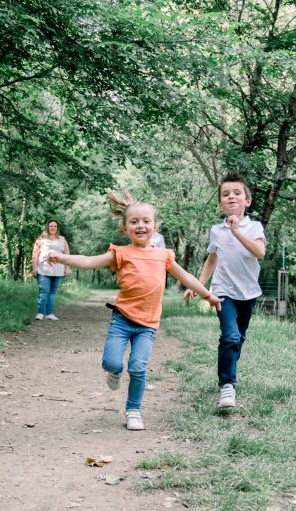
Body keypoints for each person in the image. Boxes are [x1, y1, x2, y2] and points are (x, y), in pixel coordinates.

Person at [49, 191, 222, 431]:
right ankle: (114, 372)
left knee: (138, 367)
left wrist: (208, 294)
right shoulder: (120, 253)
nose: (140, 225)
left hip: (147, 324)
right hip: (122, 319)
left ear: (155, 226)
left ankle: (133, 410)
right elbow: (89, 261)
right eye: (134, 222)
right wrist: (61, 258)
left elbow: (186, 277)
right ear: (124, 228)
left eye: (146, 221)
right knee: (112, 363)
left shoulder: (164, 256)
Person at [183, 173, 266, 408]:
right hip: (223, 291)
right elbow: (212, 259)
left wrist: (237, 231)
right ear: (221, 203)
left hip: (249, 292)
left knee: (238, 338)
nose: (231, 197)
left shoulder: (254, 227)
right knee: (229, 336)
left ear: (247, 201)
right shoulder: (216, 230)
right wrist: (196, 285)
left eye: (237, 193)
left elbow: (259, 253)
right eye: (226, 194)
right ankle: (227, 386)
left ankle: (229, 365)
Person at [31, 219, 70, 320]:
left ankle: (49, 314)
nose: (53, 228)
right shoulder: (41, 239)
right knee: (44, 291)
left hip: (58, 269)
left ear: (57, 228)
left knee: (52, 292)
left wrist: (67, 268)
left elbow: (67, 255)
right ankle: (40, 313)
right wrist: (34, 268)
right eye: (51, 226)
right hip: (43, 269)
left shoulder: (62, 239)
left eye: (55, 226)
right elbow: (35, 255)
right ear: (47, 227)